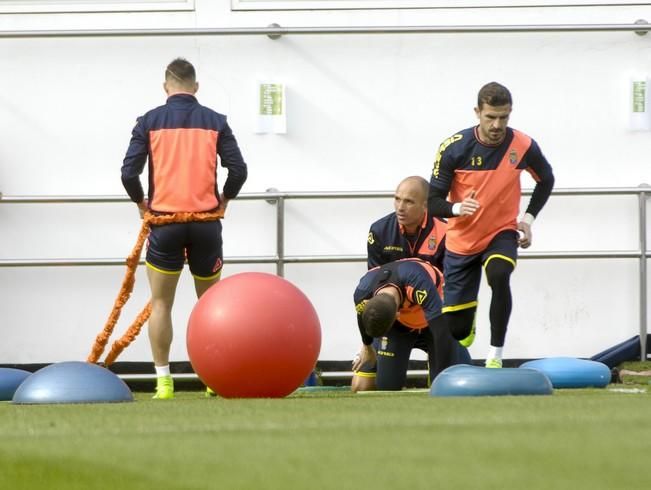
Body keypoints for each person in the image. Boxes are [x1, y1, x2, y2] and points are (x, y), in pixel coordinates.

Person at [121, 58, 248, 399]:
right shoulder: (216, 121)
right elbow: (238, 170)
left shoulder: (148, 122)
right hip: (206, 225)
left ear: (166, 89)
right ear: (195, 87)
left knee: (161, 303)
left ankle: (164, 381)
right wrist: (225, 199)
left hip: (165, 225)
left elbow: (128, 174)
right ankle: (210, 377)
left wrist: (140, 204)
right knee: (210, 305)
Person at [428, 81, 554, 368]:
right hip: (462, 240)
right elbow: (432, 201)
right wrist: (457, 208)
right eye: (491, 117)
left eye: (504, 117)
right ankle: (466, 319)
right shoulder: (453, 148)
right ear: (477, 112)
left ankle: (496, 354)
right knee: (458, 329)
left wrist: (527, 220)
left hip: (502, 231)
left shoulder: (522, 145)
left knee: (499, 273)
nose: (497, 125)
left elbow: (546, 179)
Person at [352, 176, 470, 391]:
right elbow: (374, 288)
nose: (400, 207)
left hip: (435, 317)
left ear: (426, 205)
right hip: (397, 320)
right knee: (368, 385)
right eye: (397, 199)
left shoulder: (447, 233)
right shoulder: (379, 230)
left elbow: (453, 285)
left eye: (409, 201)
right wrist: (366, 345)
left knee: (454, 384)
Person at [352, 258, 458, 391]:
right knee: (386, 387)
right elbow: (361, 315)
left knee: (447, 383)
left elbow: (441, 330)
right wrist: (367, 347)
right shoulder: (362, 293)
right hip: (401, 327)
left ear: (397, 315)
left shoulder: (418, 281)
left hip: (433, 320)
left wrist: (443, 370)